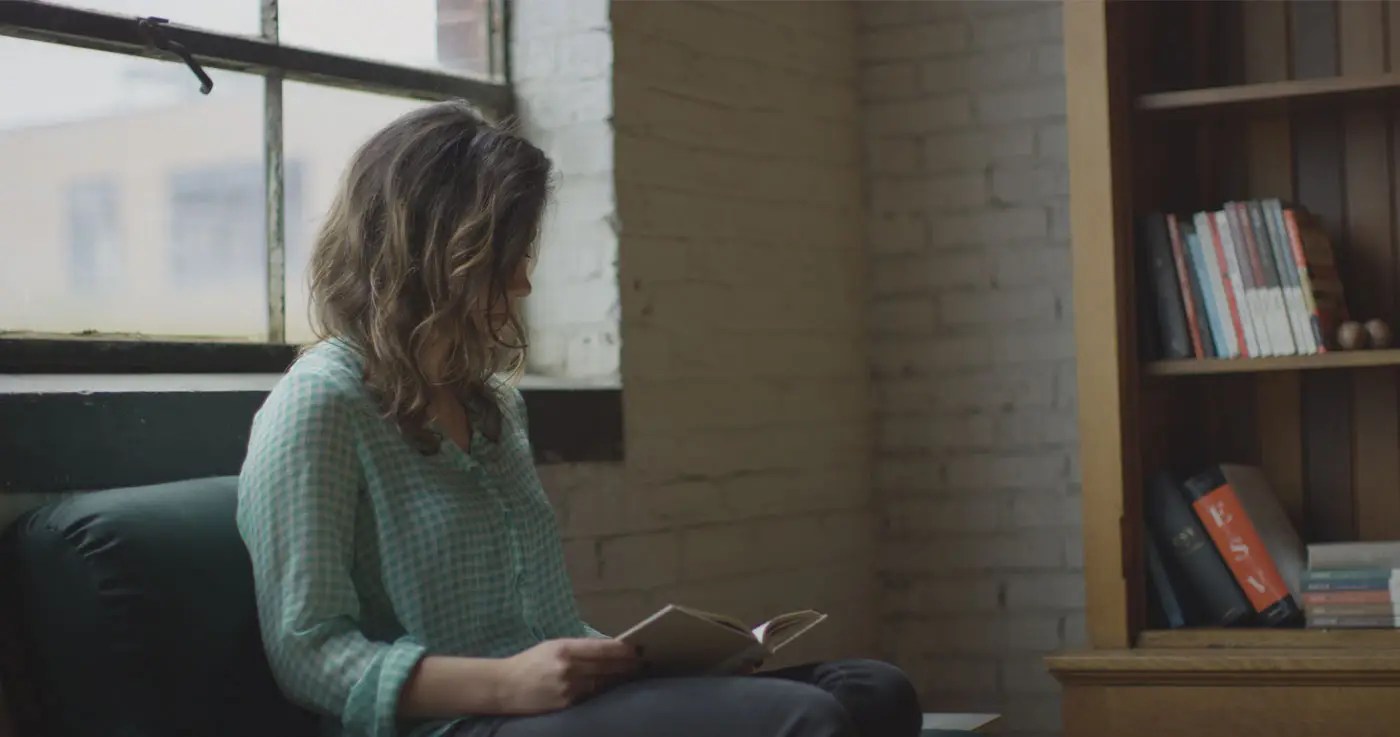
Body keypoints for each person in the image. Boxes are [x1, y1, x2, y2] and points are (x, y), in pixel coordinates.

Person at [236, 100, 923, 737]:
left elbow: (542, 625)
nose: (522, 282)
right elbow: (307, 653)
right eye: (503, 257)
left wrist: (640, 661)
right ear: (431, 253)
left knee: (874, 689)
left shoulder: (491, 405)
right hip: (462, 722)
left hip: (551, 706)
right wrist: (506, 683)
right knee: (804, 717)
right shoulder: (320, 406)